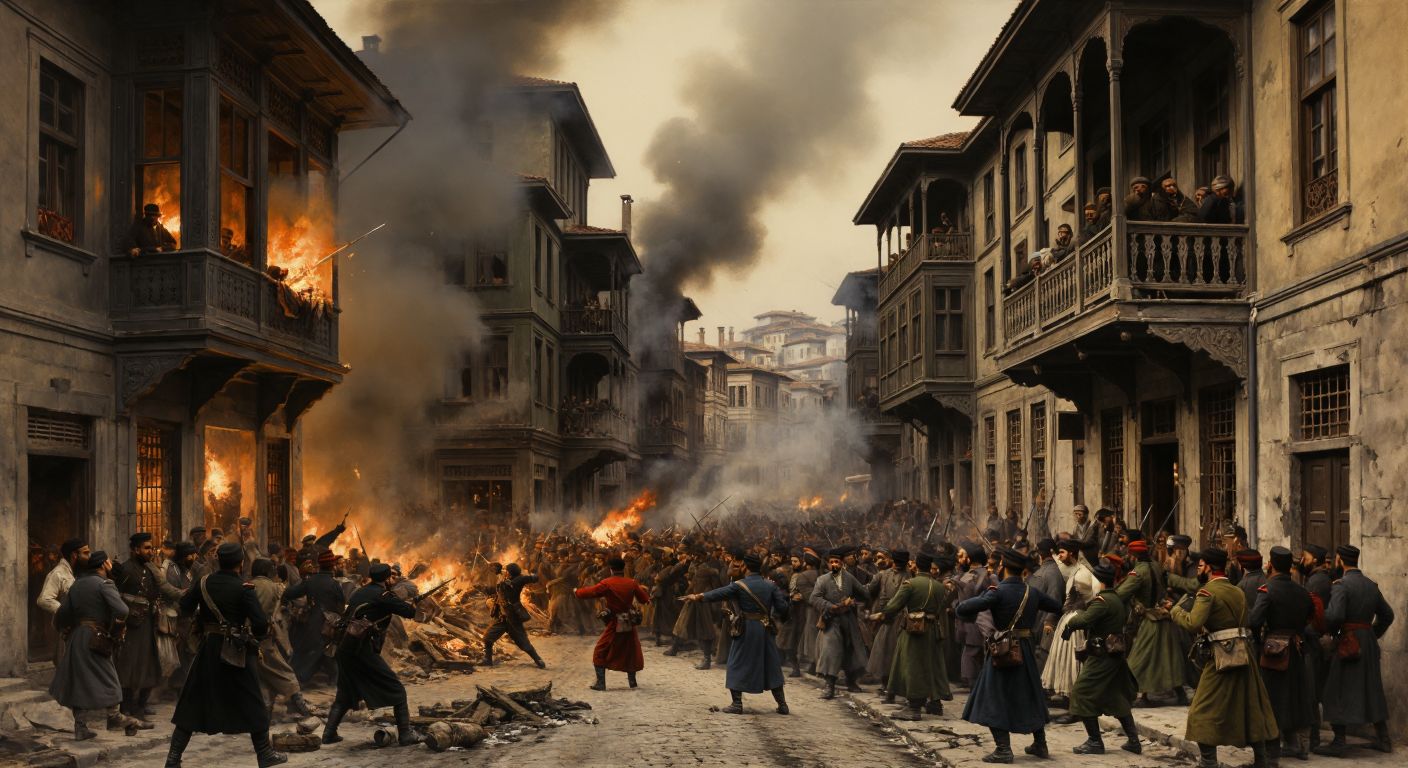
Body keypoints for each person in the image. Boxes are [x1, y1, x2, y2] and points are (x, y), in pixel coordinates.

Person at [166, 543, 286, 768]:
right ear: (241, 563)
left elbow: (185, 607)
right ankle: (264, 754)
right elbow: (260, 623)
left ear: (219, 561)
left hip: (209, 648)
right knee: (252, 700)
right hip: (236, 651)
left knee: (192, 702)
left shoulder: (203, 583)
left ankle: (172, 759)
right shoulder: (244, 588)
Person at [1168, 548, 1278, 768]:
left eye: (1200, 566)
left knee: (1201, 709)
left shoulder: (1207, 592)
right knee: (1251, 707)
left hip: (1221, 657)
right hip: (1244, 654)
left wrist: (1175, 611)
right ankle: (1262, 760)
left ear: (1208, 567)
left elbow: (1193, 623)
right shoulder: (1237, 591)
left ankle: (1208, 762)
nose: (1198, 570)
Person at [956, 548, 1063, 763]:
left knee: (993, 697)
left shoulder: (997, 592)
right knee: (1031, 694)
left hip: (1003, 650)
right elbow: (1057, 606)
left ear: (1003, 566)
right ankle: (1040, 744)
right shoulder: (1031, 592)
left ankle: (1003, 749)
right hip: (1026, 648)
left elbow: (963, 609)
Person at [50, 551, 148, 740]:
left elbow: (61, 615)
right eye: (109, 562)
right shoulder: (105, 584)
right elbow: (122, 610)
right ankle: (115, 717)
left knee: (79, 681)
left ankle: (80, 728)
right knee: (109, 678)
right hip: (97, 638)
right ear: (104, 565)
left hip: (77, 638)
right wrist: (114, 625)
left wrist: (65, 630)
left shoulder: (77, 584)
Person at [322, 563, 421, 748]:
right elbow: (410, 612)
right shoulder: (384, 596)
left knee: (344, 694)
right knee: (397, 689)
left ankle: (328, 734)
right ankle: (405, 735)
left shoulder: (359, 592)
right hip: (362, 649)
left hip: (346, 648)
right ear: (386, 579)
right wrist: (416, 601)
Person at [685, 552, 791, 714]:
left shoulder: (739, 585)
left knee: (736, 663)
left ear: (744, 567)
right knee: (771, 664)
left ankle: (737, 704)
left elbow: (718, 593)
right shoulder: (770, 585)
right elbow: (783, 608)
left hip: (746, 628)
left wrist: (698, 596)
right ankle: (782, 705)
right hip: (765, 628)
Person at [1315, 544, 1395, 756]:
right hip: (1367, 643)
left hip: (1347, 643)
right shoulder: (1371, 585)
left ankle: (1339, 741)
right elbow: (1388, 615)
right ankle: (1384, 739)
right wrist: (1371, 634)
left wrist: (1328, 630)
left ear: (1340, 560)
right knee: (1373, 690)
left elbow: (1335, 616)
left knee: (1335, 688)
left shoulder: (1341, 585)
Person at [1062, 562, 1141, 754]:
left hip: (1102, 656)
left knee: (1081, 693)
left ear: (1098, 581)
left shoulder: (1102, 602)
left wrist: (1069, 624)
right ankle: (1133, 741)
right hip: (1115, 655)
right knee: (1116, 696)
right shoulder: (1118, 600)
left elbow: (1084, 619)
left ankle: (1095, 742)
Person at [1248, 546, 1317, 761]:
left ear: (1271, 564)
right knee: (1295, 697)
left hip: (1273, 654)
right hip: (1295, 650)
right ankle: (1296, 745)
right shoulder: (1303, 592)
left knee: (1273, 700)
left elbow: (1254, 621)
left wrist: (1262, 642)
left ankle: (1273, 751)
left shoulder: (1267, 590)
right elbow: (1309, 617)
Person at [871, 551, 950, 721]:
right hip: (933, 630)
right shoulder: (940, 586)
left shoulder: (910, 584)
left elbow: (893, 606)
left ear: (918, 565)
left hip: (914, 631)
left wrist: (881, 615)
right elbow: (941, 607)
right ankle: (934, 704)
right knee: (931, 666)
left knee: (912, 667)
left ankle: (913, 708)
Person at [113, 532, 182, 721]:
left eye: (151, 547)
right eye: (146, 548)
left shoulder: (152, 568)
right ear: (135, 549)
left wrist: (186, 595)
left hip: (150, 623)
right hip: (131, 625)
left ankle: (141, 705)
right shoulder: (125, 570)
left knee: (151, 664)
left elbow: (165, 588)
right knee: (128, 665)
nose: (150, 551)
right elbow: (115, 595)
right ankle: (126, 706)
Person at [1119, 538, 1187, 707]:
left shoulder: (1138, 573)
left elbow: (1121, 594)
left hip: (1150, 620)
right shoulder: (1157, 566)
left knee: (1139, 659)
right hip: (1164, 618)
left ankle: (1142, 696)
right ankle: (1180, 694)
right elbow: (1172, 581)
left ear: (1134, 555)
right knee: (1170, 659)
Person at [574, 556, 650, 691]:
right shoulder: (631, 583)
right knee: (630, 650)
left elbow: (591, 592)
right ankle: (632, 682)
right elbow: (644, 599)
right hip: (628, 622)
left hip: (615, 622)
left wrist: (577, 592)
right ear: (623, 569)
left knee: (600, 649)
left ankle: (601, 683)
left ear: (611, 569)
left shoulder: (607, 583)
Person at [249, 559, 312, 718]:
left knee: (264, 674)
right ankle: (296, 702)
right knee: (281, 670)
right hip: (270, 636)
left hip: (248, 637)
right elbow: (301, 601)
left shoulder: (247, 586)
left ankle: (267, 710)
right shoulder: (277, 587)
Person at [809, 548, 870, 699]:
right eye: (831, 562)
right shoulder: (822, 580)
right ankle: (829, 686)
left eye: (837, 562)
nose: (834, 564)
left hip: (848, 620)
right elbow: (814, 598)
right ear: (828, 564)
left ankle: (851, 682)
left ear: (842, 564)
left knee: (852, 650)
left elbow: (864, 593)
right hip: (831, 620)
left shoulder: (849, 578)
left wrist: (855, 601)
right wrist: (830, 606)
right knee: (831, 650)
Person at [280, 548, 345, 684]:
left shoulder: (310, 581)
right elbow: (340, 606)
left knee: (312, 653)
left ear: (319, 565)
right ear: (332, 566)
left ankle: (301, 679)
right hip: (329, 626)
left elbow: (289, 593)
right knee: (323, 653)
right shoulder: (335, 585)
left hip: (312, 623)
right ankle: (330, 679)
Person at [482, 562, 546, 668]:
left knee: (523, 642)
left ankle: (537, 659)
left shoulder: (518, 580)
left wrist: (533, 573)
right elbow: (499, 587)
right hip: (502, 617)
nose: (505, 572)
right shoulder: (508, 579)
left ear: (510, 572)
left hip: (512, 617)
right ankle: (487, 660)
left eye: (507, 571)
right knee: (488, 638)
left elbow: (534, 578)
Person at [863, 549, 907, 700]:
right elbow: (868, 590)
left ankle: (894, 688)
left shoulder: (909, 576)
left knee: (896, 654)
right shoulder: (882, 575)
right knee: (882, 652)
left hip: (900, 619)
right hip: (883, 618)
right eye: (897, 562)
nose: (897, 566)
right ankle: (884, 684)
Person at [669, 549, 723, 669]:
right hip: (694, 601)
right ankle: (675, 648)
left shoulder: (710, 569)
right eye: (695, 556)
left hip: (705, 603)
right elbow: (693, 584)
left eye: (698, 556)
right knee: (683, 625)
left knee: (705, 631)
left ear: (704, 556)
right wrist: (688, 594)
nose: (695, 558)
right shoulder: (698, 568)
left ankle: (707, 659)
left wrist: (706, 597)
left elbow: (717, 587)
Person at [953, 542, 994, 688]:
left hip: (978, 625)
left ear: (969, 558)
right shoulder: (966, 575)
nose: (958, 559)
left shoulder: (987, 576)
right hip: (966, 625)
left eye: (962, 556)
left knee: (974, 660)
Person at [1025, 539, 1064, 672]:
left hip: (1044, 627)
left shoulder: (1052, 573)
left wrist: (1048, 626)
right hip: (1037, 625)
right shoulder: (1049, 571)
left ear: (1041, 554)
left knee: (1042, 662)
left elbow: (1055, 602)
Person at [789, 549, 822, 676]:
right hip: (820, 609)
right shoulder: (821, 574)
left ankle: (816, 666)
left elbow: (807, 596)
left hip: (809, 611)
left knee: (811, 637)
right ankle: (814, 666)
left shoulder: (802, 576)